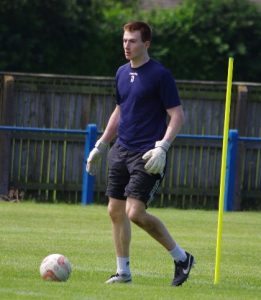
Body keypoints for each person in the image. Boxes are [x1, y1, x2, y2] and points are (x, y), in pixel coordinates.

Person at [86, 21, 195, 286]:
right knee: (115, 210)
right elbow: (120, 110)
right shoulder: (121, 73)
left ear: (146, 44)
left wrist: (163, 146)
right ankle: (123, 272)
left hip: (147, 155)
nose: (126, 45)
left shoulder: (160, 75)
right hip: (120, 149)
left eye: (132, 41)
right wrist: (101, 144)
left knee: (135, 213)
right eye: (124, 40)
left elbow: (177, 115)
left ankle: (182, 258)